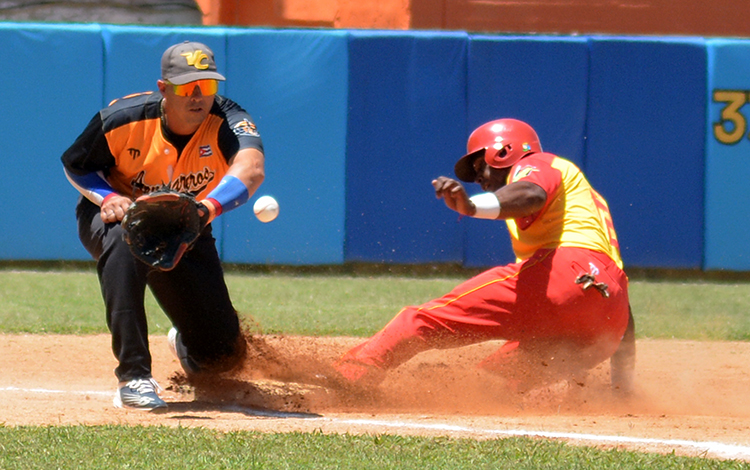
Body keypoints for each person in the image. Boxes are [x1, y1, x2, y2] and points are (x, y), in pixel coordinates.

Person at [331, 118, 635, 396]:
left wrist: (473, 206)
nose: (479, 179)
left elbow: (532, 194)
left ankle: (351, 375)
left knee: (421, 320)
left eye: (480, 167)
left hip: (566, 274)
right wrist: (622, 387)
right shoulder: (588, 205)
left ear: (503, 152)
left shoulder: (538, 163)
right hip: (608, 320)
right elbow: (615, 299)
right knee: (488, 384)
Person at [61, 41, 265, 411]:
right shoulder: (125, 118)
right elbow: (77, 164)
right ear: (164, 89)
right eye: (188, 88)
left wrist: (205, 209)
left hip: (187, 220)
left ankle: (188, 343)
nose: (199, 97)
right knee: (125, 241)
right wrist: (107, 197)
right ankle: (134, 376)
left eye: (208, 86)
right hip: (117, 214)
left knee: (223, 355)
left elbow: (251, 169)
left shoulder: (229, 120)